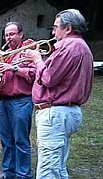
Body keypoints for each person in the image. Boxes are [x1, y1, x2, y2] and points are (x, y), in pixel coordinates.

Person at [23, 9, 93, 178]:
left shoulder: (68, 46)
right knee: (59, 167)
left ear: (68, 28)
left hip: (55, 113)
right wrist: (41, 57)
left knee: (47, 171)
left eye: (55, 27)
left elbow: (48, 78)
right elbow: (60, 74)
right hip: (66, 112)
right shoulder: (81, 46)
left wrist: (37, 59)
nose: (53, 32)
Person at [0, 22, 36, 179]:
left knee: (21, 141)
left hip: (21, 101)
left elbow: (35, 74)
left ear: (20, 34)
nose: (8, 37)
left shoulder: (28, 51)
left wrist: (13, 68)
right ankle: (8, 172)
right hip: (2, 101)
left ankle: (23, 175)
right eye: (6, 34)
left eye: (12, 34)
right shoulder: (4, 53)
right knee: (6, 141)